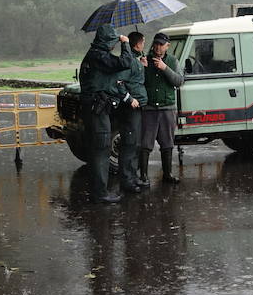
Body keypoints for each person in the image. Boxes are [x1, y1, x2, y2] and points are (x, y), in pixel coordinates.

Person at [78, 24, 132, 203]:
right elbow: (124, 63)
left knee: (96, 150)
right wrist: (126, 44)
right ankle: (100, 194)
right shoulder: (99, 56)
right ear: (106, 40)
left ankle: (97, 191)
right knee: (102, 150)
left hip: (92, 108)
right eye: (112, 41)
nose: (113, 45)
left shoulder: (93, 55)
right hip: (97, 109)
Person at [138, 31, 184, 184]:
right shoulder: (145, 60)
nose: (157, 47)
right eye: (156, 44)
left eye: (161, 45)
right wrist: (142, 68)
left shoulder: (173, 61)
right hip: (149, 108)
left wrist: (165, 68)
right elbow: (139, 83)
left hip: (167, 108)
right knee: (145, 143)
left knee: (167, 143)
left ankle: (167, 174)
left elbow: (178, 81)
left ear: (167, 46)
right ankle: (143, 175)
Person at [115, 31, 148, 192]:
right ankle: (127, 181)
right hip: (130, 109)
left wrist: (141, 65)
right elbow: (119, 83)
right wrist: (129, 99)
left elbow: (134, 79)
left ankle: (134, 178)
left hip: (138, 108)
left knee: (136, 144)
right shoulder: (128, 61)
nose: (144, 45)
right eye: (143, 42)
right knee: (129, 145)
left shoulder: (136, 60)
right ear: (137, 44)